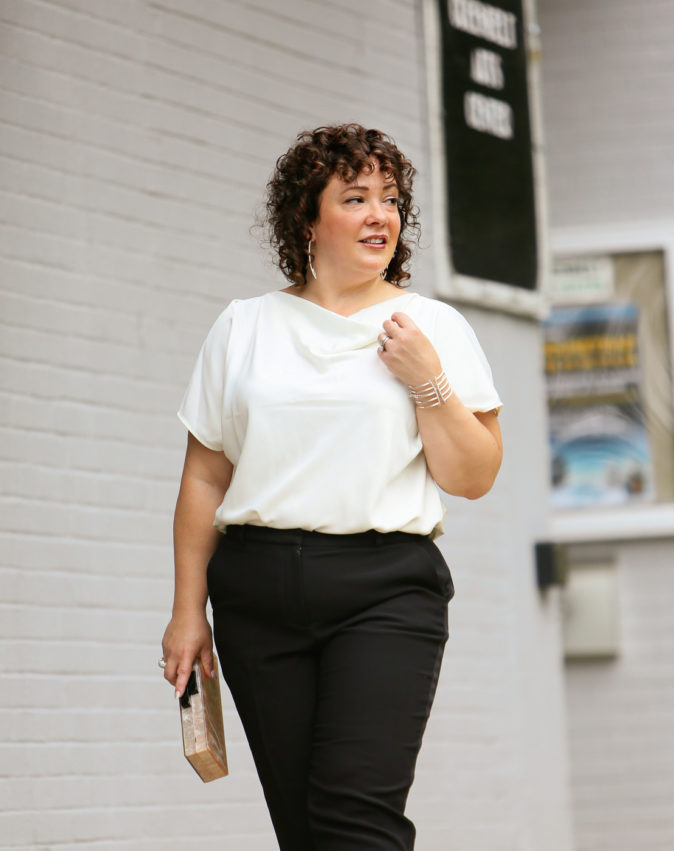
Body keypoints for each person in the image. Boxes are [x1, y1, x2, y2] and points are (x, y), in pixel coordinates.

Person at [160, 123, 503, 850]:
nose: (381, 214)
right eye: (355, 198)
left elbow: (474, 476)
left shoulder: (430, 325)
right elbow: (205, 475)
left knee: (356, 820)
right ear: (308, 219)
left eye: (391, 198)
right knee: (305, 830)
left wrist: (428, 381)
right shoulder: (244, 326)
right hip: (255, 592)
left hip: (384, 590)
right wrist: (188, 610)